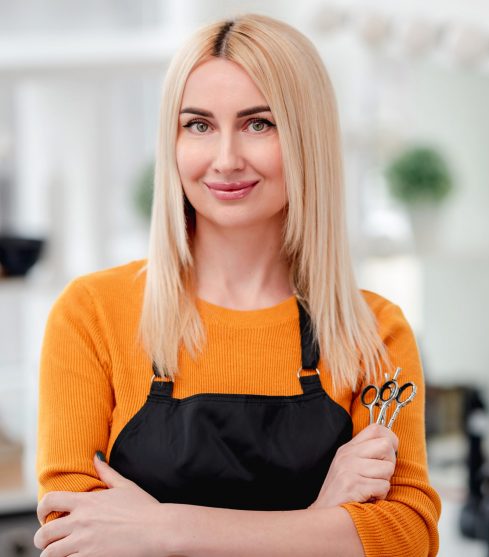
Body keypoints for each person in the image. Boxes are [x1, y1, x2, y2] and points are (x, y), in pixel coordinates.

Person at [34, 12, 441, 557]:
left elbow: (408, 536)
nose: (225, 160)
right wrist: (322, 521)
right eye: (198, 125)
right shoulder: (93, 314)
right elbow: (71, 535)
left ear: (305, 138)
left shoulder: (373, 332)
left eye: (259, 124)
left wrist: (163, 530)